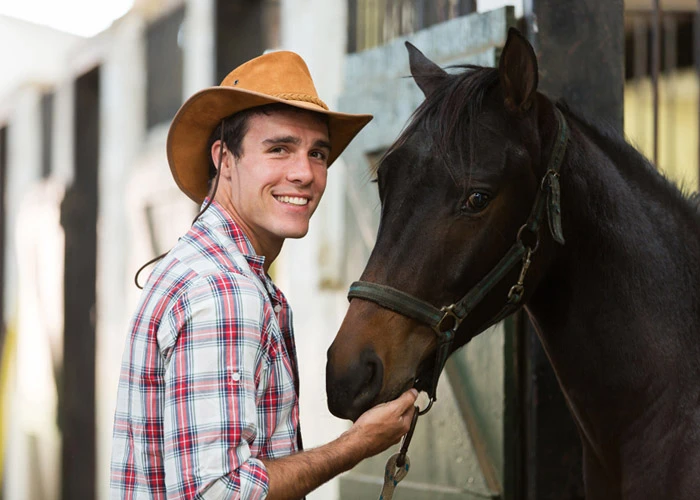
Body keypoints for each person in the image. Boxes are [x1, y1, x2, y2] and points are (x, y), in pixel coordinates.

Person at [110, 50, 418, 499]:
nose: (305, 173)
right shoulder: (223, 290)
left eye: (318, 153)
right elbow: (221, 492)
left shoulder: (211, 269)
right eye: (279, 149)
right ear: (224, 158)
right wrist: (357, 444)